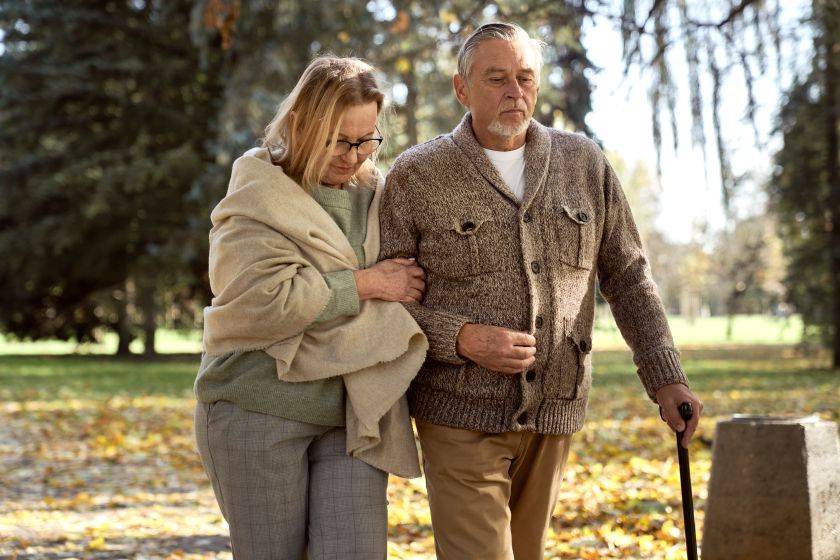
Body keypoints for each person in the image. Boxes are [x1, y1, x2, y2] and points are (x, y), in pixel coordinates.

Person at [378, 22, 704, 560]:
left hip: (556, 410)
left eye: (525, 78)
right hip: (458, 414)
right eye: (497, 78)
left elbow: (628, 277)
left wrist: (667, 378)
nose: (515, 92)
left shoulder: (585, 162)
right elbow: (389, 301)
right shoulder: (417, 175)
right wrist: (460, 338)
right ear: (462, 89)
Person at [194, 56, 428, 560]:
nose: (353, 155)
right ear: (300, 126)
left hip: (353, 409)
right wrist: (365, 283)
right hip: (257, 404)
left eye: (367, 140)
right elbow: (263, 301)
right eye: (338, 140)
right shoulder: (258, 195)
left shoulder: (376, 195)